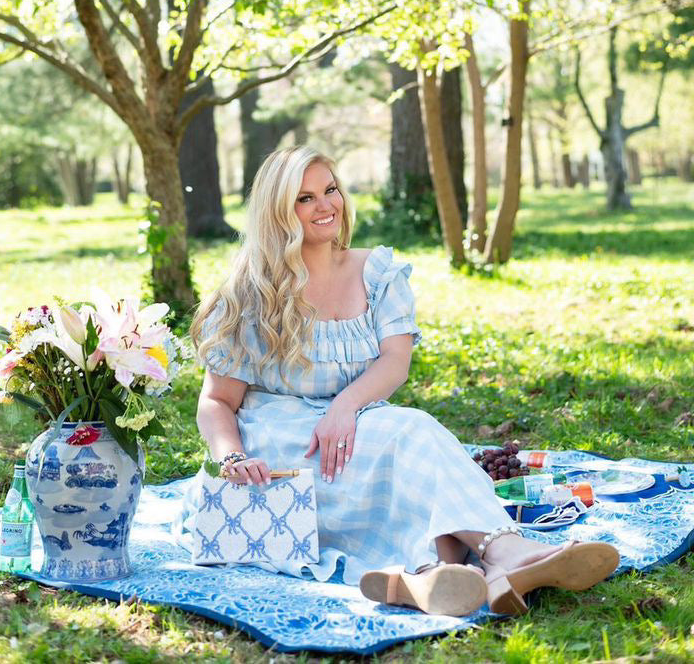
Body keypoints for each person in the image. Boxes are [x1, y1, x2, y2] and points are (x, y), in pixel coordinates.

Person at [190, 146, 618, 616]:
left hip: (353, 424)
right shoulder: (252, 294)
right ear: (277, 212)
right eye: (305, 198)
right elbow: (217, 402)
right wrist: (232, 457)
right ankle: (502, 556)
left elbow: (395, 360)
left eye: (330, 190)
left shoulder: (376, 272)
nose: (326, 205)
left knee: (409, 441)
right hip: (284, 446)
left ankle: (436, 575)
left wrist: (345, 407)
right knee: (410, 438)